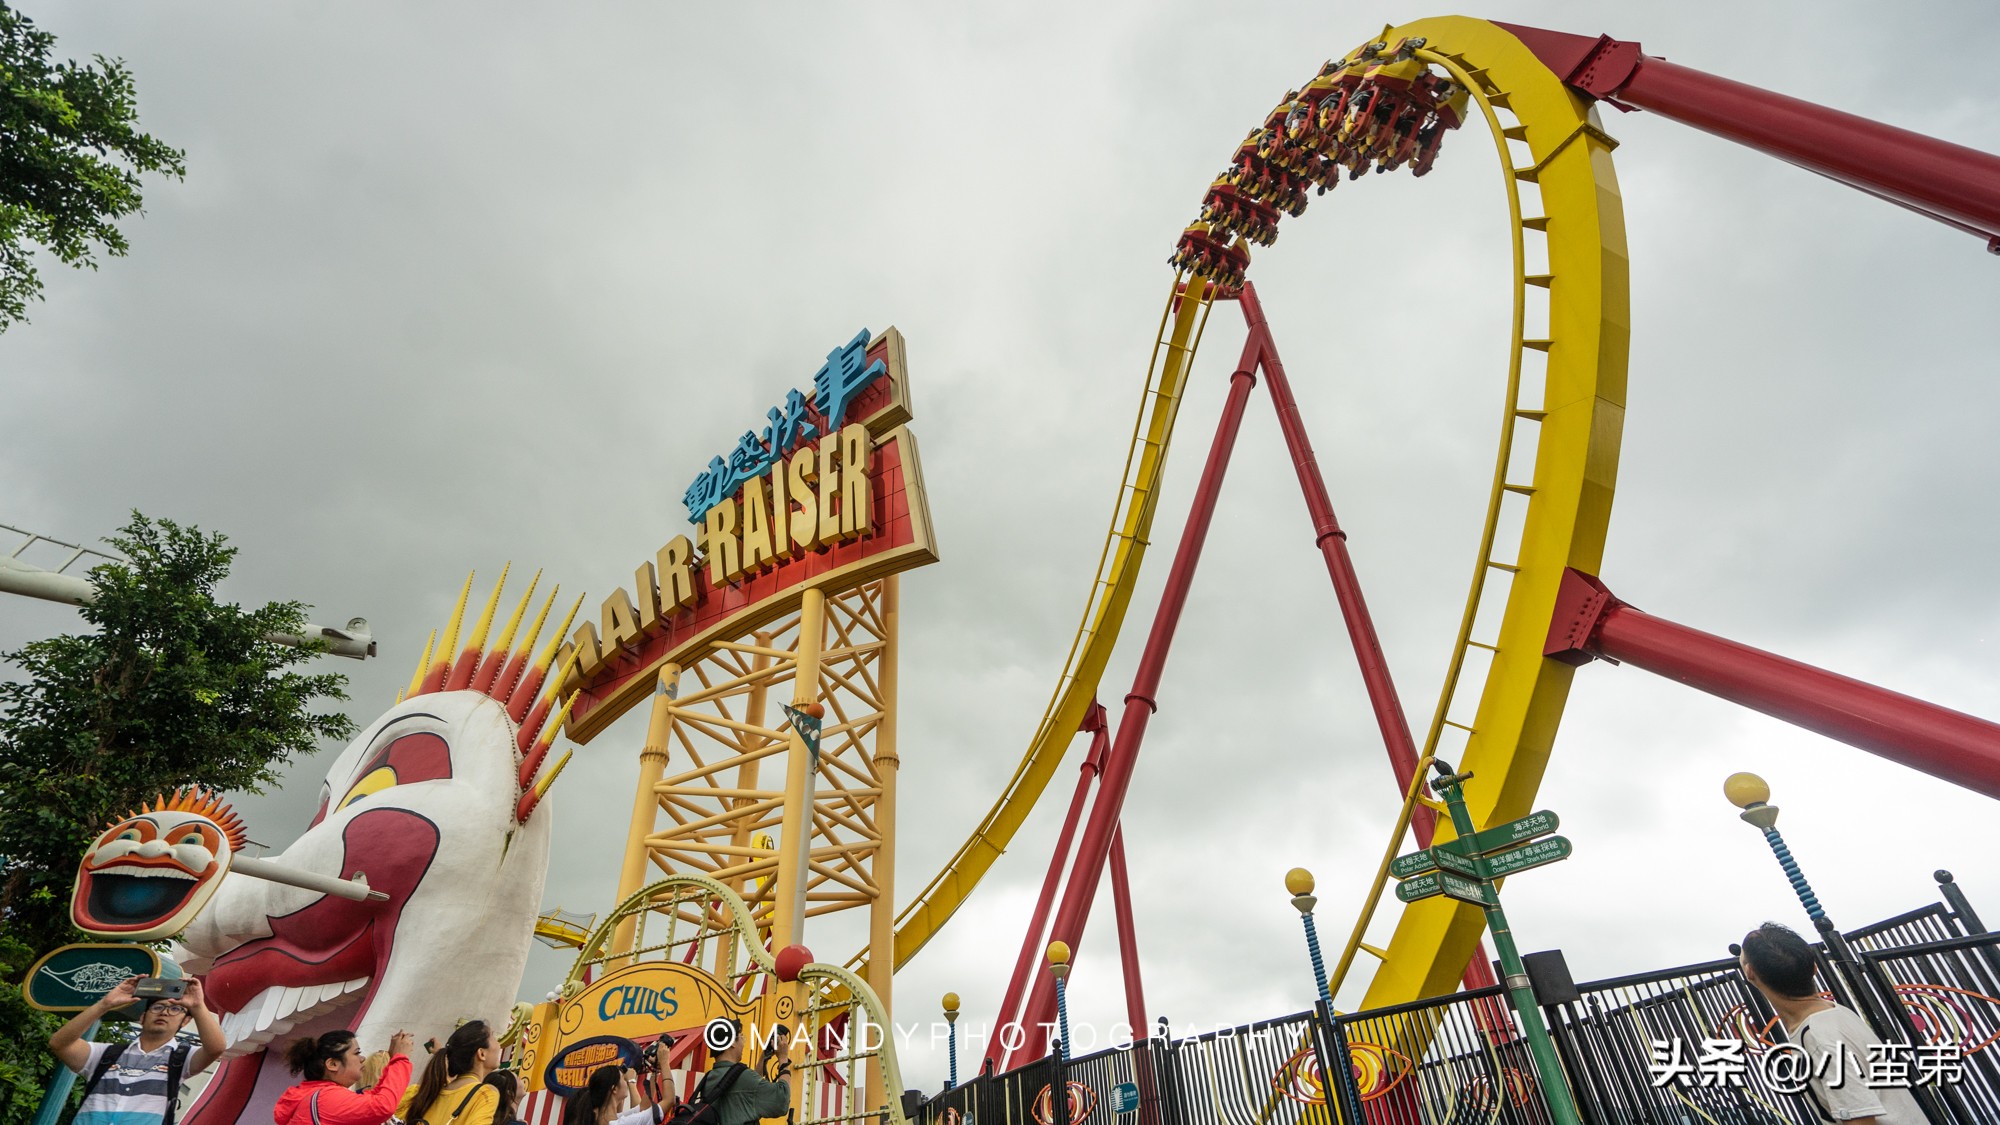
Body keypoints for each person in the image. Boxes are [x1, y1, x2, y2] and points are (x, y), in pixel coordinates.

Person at [1739, 922, 1924, 1125]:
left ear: (1749, 972)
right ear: (1814, 968)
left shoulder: (1820, 1038)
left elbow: (1860, 1121)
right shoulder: (1833, 1013)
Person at [48, 976, 228, 1125]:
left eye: (175, 1009)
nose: (164, 1012)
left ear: (186, 1021)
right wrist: (105, 1004)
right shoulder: (105, 1055)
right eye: (157, 1007)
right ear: (142, 1017)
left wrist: (197, 1005)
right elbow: (59, 1044)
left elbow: (216, 1048)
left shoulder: (180, 1059)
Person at [272, 1030, 415, 1125]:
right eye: (356, 1053)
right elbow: (382, 1106)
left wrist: (392, 1060)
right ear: (333, 1064)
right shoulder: (324, 1099)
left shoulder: (315, 1096)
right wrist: (400, 1058)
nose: (362, 1058)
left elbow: (376, 1098)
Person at [397, 1021, 502, 1125]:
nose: (499, 1044)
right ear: (481, 1053)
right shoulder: (484, 1094)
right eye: (493, 1037)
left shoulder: (429, 1093)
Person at [690, 1022, 790, 1125]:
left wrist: (763, 1058)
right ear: (732, 1042)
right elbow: (782, 1101)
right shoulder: (745, 1079)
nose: (743, 1042)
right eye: (741, 1036)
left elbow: (748, 1091)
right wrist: (783, 1058)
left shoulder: (709, 1078)